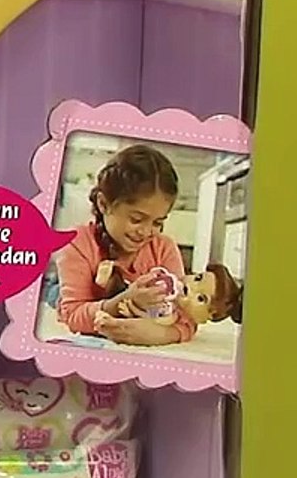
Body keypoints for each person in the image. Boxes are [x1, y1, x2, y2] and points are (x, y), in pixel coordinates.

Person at [54, 144, 193, 347]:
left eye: (157, 223)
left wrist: (162, 334)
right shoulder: (77, 243)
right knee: (54, 295)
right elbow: (73, 315)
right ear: (103, 204)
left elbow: (188, 314)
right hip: (80, 281)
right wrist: (124, 301)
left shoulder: (164, 248)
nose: (146, 232)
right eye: (137, 219)